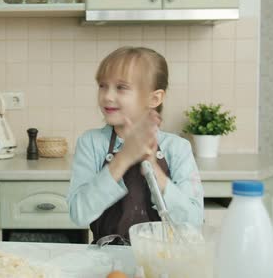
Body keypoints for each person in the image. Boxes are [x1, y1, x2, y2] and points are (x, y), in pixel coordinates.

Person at [66, 46, 204, 244]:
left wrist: (155, 171)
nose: (107, 96)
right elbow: (79, 214)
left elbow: (193, 222)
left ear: (154, 98)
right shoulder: (91, 143)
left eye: (121, 87)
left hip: (162, 260)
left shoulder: (177, 148)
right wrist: (122, 160)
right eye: (103, 85)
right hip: (106, 262)